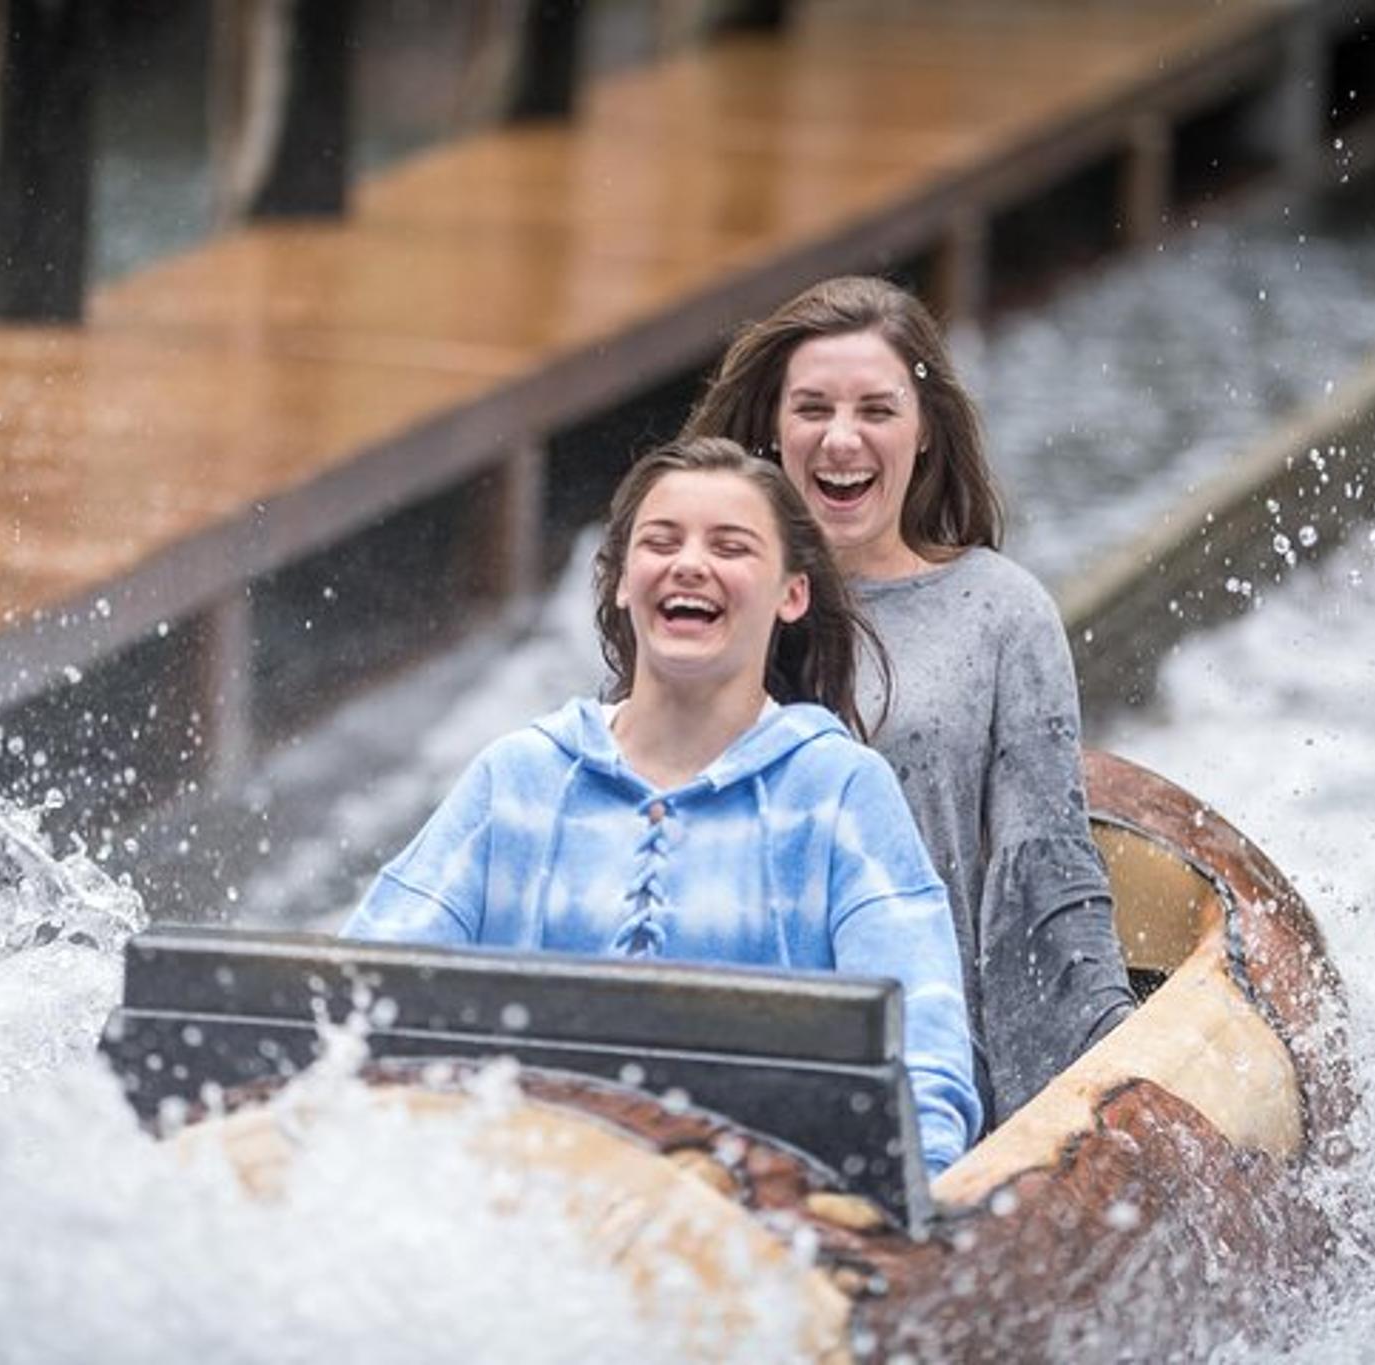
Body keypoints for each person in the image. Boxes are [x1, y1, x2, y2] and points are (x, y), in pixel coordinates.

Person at [342, 436, 982, 1176]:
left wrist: (917, 1213)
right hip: (525, 1206)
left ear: (791, 593)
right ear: (618, 582)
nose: (689, 563)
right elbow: (362, 1002)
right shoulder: (519, 778)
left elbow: (923, 1057)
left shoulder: (839, 792)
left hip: (765, 1225)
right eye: (661, 541)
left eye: (731, 546)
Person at [682, 275, 1134, 1125]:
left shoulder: (1002, 613)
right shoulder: (698, 601)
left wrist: (1108, 1095)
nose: (841, 438)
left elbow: (1048, 877)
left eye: (876, 410)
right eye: (812, 409)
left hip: (923, 1079)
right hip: (724, 1065)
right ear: (772, 433)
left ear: (923, 432)